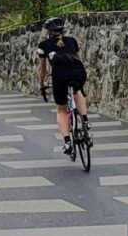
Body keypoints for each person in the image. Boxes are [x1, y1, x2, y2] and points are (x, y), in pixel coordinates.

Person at [36, 17, 91, 156]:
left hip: (60, 76)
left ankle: (67, 142)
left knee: (61, 109)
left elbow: (42, 69)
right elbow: (79, 58)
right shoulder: (72, 41)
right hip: (79, 72)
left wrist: (41, 84)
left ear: (49, 32)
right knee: (77, 91)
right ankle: (85, 121)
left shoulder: (43, 45)